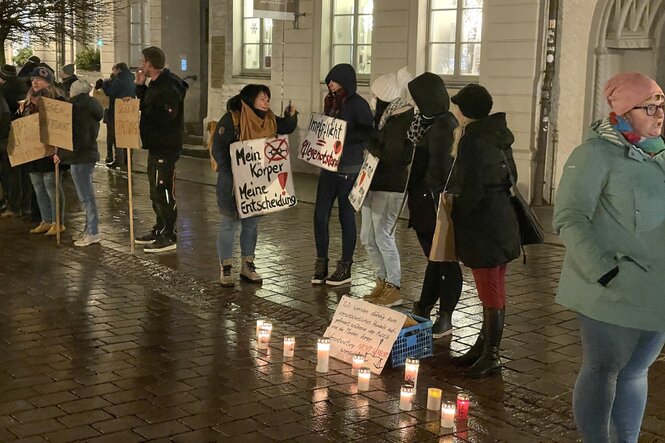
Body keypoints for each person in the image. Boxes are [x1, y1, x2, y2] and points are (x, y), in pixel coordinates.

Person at [554, 72, 665, 442]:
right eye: (649, 106)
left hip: (656, 289)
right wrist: (604, 271)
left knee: (636, 371)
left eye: (662, 104)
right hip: (611, 290)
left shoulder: (659, 152)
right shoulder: (594, 154)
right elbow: (569, 217)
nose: (659, 113)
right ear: (623, 111)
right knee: (603, 370)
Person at [447, 84, 520, 378]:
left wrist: (457, 212)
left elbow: (471, 186)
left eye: (458, 107)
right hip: (502, 219)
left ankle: (491, 355)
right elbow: (510, 176)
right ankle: (482, 346)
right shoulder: (498, 135)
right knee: (495, 286)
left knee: (489, 289)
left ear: (466, 111)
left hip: (484, 225)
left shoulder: (473, 139)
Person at [211, 84, 297, 286]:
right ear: (250, 100)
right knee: (229, 224)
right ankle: (226, 267)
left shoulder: (269, 119)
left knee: (251, 225)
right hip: (232, 185)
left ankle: (248, 265)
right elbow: (219, 149)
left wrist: (291, 115)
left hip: (257, 184)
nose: (266, 103)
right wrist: (234, 173)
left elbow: (285, 127)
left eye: (267, 99)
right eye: (262, 99)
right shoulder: (233, 119)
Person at [407, 72, 463, 338]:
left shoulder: (442, 125)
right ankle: (425, 306)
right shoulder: (429, 122)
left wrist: (427, 190)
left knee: (445, 262)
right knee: (434, 258)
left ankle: (445, 315)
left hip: (435, 205)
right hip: (425, 204)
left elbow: (440, 169)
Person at [312, 63, 373, 285]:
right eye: (329, 81)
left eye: (334, 80)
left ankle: (345, 266)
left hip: (349, 168)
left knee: (346, 217)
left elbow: (368, 131)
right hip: (328, 166)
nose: (330, 84)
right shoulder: (331, 102)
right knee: (320, 215)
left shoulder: (358, 104)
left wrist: (345, 135)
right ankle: (321, 262)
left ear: (345, 82)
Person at [360, 68, 414, 307]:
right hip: (373, 182)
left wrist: (370, 142)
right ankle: (381, 281)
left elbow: (392, 154)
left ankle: (393, 286)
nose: (372, 99)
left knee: (383, 235)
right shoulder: (384, 118)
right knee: (367, 237)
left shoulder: (401, 119)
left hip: (390, 185)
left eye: (374, 95)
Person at [133, 46, 188, 253]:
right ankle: (159, 228)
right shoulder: (155, 84)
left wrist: (145, 112)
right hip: (156, 145)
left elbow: (166, 115)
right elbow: (148, 102)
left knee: (163, 190)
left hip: (166, 146)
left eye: (143, 61)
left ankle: (169, 233)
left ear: (150, 63)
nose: (141, 65)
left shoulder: (168, 86)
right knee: (154, 189)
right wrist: (140, 87)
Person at [55, 80, 104, 246]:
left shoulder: (77, 109)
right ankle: (88, 229)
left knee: (86, 197)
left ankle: (93, 231)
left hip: (80, 157)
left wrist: (61, 154)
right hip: (87, 155)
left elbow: (75, 137)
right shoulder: (91, 107)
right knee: (86, 195)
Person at [19, 67, 66, 236]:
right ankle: (45, 220)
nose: (35, 82)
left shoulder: (58, 100)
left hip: (50, 150)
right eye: (33, 80)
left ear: (49, 82)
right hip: (33, 151)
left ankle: (57, 221)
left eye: (39, 79)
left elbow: (63, 125)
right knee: (38, 186)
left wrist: (59, 150)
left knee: (51, 185)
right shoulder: (27, 101)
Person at [102, 62, 135, 167]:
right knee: (127, 136)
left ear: (119, 70)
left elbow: (110, 92)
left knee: (118, 137)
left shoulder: (119, 81)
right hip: (129, 111)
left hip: (117, 111)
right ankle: (127, 159)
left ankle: (119, 160)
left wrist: (104, 85)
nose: (114, 72)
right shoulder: (131, 80)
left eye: (114, 70)